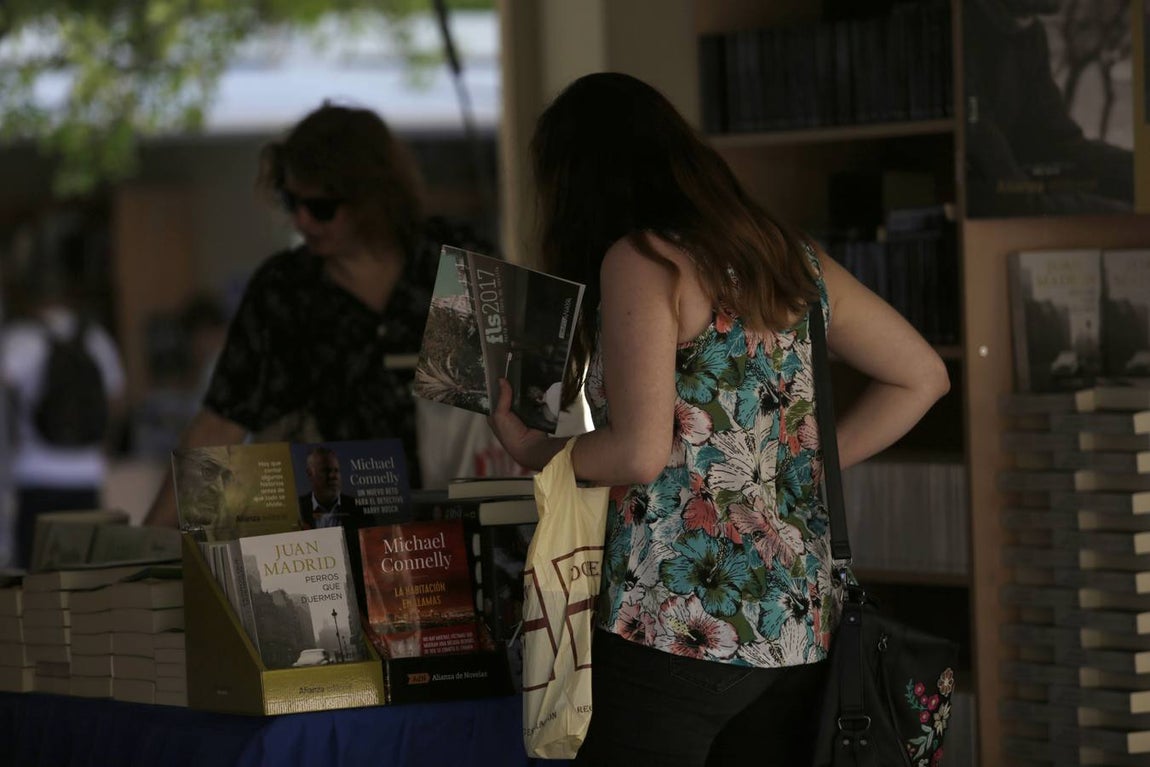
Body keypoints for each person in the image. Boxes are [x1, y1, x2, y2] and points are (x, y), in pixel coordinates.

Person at [486, 72, 951, 766]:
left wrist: (533, 449)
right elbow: (923, 376)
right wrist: (799, 462)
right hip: (797, 629)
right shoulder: (788, 259)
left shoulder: (643, 260)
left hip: (670, 620)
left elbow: (640, 452)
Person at [144, 102, 491, 527]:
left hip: (467, 519)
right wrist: (151, 541)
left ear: (373, 198)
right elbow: (219, 425)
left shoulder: (454, 259)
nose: (302, 220)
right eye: (290, 201)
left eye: (321, 207)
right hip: (338, 537)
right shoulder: (285, 290)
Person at [1, 270, 126, 569]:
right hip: (87, 473)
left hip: (34, 472)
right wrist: (103, 447)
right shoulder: (96, 338)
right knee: (87, 571)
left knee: (34, 574)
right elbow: (117, 400)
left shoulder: (20, 338)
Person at [297, 445, 360, 529]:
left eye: (336, 470)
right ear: (310, 474)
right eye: (326, 470)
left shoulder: (359, 508)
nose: (333, 476)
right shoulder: (297, 508)